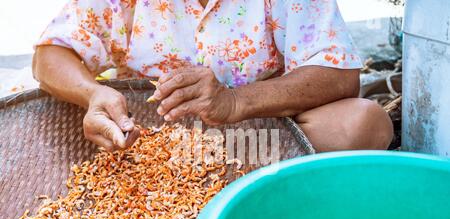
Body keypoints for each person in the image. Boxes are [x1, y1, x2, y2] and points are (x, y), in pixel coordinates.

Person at [32, 0, 393, 153]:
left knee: (364, 122)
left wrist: (237, 101)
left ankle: (235, 185)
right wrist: (92, 93)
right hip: (146, 140)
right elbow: (49, 54)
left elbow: (340, 72)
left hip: (258, 136)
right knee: (52, 114)